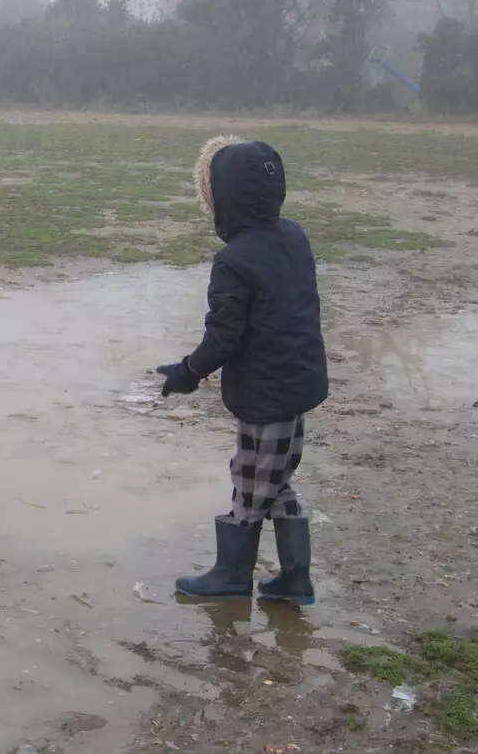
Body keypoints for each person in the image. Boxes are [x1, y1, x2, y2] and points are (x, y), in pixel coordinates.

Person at [155, 136, 328, 604]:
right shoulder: (293, 235)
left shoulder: (234, 261)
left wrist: (187, 372)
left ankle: (232, 576)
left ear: (222, 198)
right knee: (275, 481)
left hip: (265, 392)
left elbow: (224, 338)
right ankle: (295, 580)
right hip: (297, 385)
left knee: (251, 483)